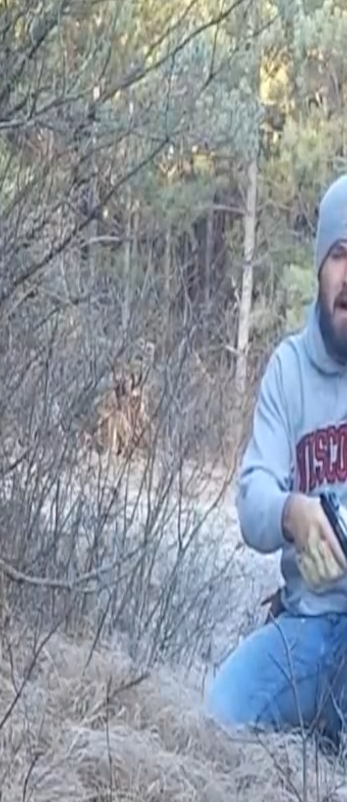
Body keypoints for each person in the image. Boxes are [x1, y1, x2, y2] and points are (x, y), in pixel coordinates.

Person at [205, 172, 347, 745]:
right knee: (219, 714)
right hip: (306, 629)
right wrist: (294, 512)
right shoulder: (287, 371)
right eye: (341, 255)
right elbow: (252, 499)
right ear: (319, 268)